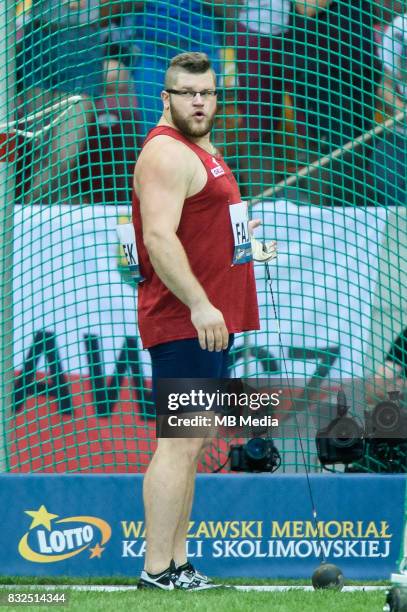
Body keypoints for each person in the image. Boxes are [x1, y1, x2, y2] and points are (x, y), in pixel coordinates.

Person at [132, 52, 260, 590]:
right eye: (187, 93)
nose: (199, 101)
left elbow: (203, 228)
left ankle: (177, 564)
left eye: (207, 92)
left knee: (193, 439)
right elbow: (159, 238)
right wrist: (202, 303)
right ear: (166, 97)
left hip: (209, 322)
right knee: (178, 442)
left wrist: (251, 251)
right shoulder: (165, 152)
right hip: (187, 321)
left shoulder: (198, 148)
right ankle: (156, 569)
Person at [17, 0, 120, 204]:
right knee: (41, 151)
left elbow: (121, 6)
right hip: (39, 40)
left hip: (83, 44)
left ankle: (19, 218)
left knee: (63, 158)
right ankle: (55, 214)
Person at [370, 12, 407, 206]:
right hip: (402, 134)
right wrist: (401, 110)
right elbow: (385, 86)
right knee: (384, 171)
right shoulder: (401, 26)